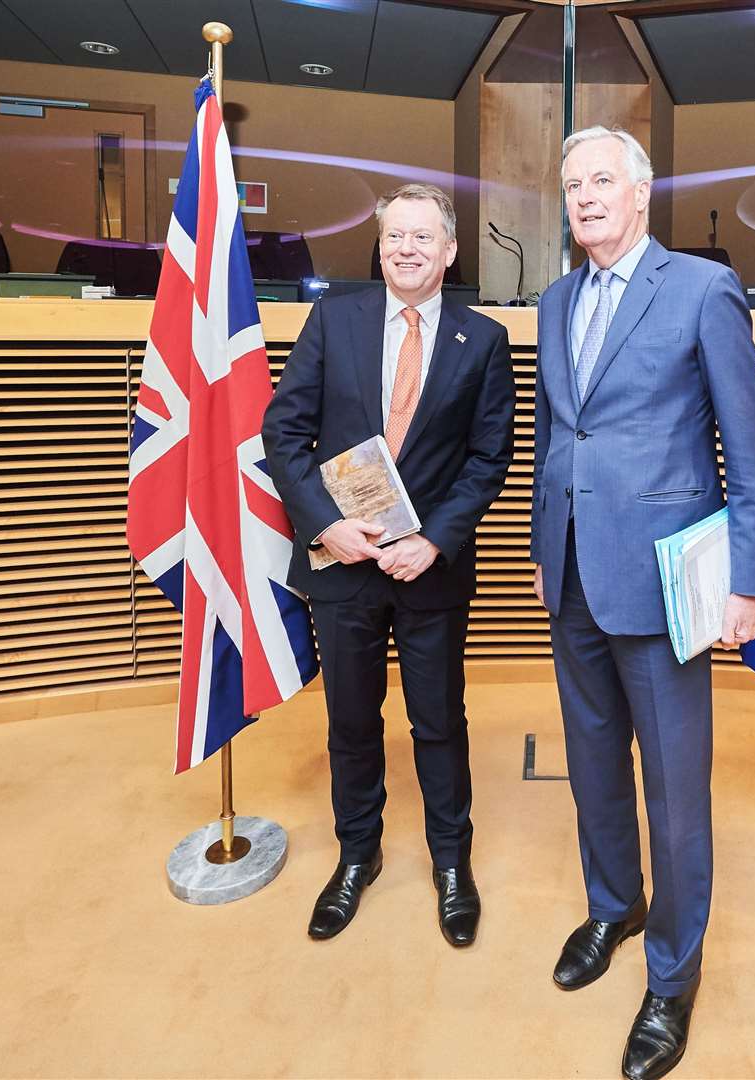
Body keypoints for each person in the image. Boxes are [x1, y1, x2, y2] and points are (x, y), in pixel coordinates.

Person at [530, 127, 755, 1080]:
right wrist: (540, 543)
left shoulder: (700, 289)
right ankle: (612, 908)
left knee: (674, 793)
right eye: (571, 184)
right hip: (572, 572)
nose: (585, 196)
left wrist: (748, 579)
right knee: (592, 768)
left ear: (640, 194)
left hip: (666, 580)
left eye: (602, 180)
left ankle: (672, 976)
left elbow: (747, 451)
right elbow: (566, 434)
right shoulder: (554, 301)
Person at [263, 183, 514, 948]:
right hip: (344, 567)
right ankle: (356, 855)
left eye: (420, 238)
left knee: (437, 721)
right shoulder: (334, 320)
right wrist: (327, 525)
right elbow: (284, 432)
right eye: (393, 237)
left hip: (428, 569)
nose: (405, 250)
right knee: (349, 721)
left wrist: (433, 538)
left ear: (449, 251)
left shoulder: (485, 339)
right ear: (379, 248)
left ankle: (449, 862)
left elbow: (486, 458)